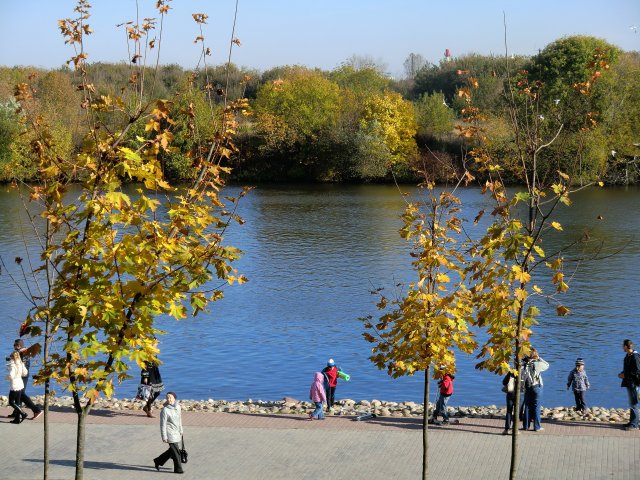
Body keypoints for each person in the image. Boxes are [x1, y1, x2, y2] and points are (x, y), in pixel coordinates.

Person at [7, 339, 42, 420]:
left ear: (20, 345)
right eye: (14, 345)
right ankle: (17, 412)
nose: (15, 346)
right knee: (19, 393)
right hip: (23, 373)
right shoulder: (25, 351)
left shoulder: (21, 352)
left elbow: (18, 363)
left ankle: (36, 410)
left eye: (16, 345)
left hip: (22, 375)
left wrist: (11, 360)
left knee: (20, 393)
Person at [153, 391, 184, 474]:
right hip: (169, 433)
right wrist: (164, 436)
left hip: (176, 431)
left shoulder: (178, 407)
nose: (168, 399)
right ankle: (178, 469)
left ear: (174, 398)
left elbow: (179, 419)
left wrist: (181, 429)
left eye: (170, 397)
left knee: (172, 450)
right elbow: (162, 424)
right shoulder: (165, 410)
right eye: (167, 397)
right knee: (176, 451)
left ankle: (158, 461)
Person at [521, 348, 549, 432]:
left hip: (527, 387)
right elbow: (547, 365)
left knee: (527, 406)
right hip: (536, 387)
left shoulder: (523, 364)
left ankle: (526, 426)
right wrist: (539, 358)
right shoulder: (536, 364)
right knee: (536, 407)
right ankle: (537, 427)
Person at [618, 339, 640, 431]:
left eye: (623, 346)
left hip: (634, 383)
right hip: (629, 382)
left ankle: (635, 425)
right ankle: (632, 422)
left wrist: (625, 375)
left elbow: (637, 371)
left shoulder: (635, 356)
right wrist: (622, 374)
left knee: (634, 403)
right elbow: (628, 369)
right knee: (632, 403)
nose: (622, 347)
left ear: (626, 347)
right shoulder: (628, 356)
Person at [6, 351, 28, 424]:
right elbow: (25, 373)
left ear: (12, 357)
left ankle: (23, 413)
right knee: (17, 402)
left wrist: (7, 377)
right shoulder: (21, 363)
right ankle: (17, 419)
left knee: (11, 402)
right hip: (20, 384)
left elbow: (11, 376)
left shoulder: (12, 365)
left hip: (14, 385)